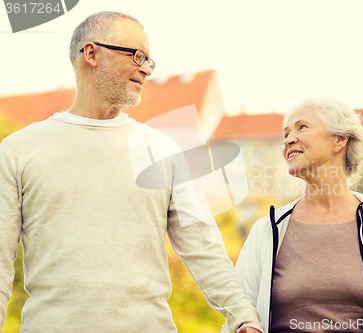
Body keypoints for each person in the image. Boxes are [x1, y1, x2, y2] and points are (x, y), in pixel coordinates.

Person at [0, 11, 263, 333]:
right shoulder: (18, 150)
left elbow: (203, 245)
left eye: (150, 61)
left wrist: (243, 316)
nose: (146, 70)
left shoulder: (162, 150)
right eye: (137, 55)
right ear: (92, 53)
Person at [222, 97, 363, 333]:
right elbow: (238, 316)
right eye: (285, 134)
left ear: (340, 139)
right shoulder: (267, 231)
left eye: (302, 127)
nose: (289, 139)